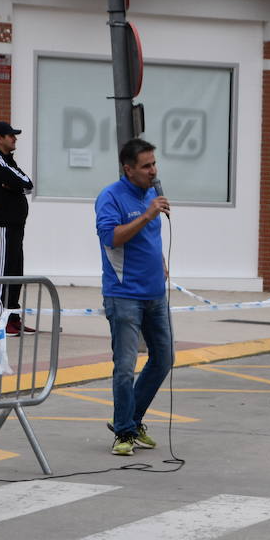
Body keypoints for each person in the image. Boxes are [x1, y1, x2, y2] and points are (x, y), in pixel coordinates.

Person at [94, 138, 173, 457]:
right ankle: (124, 431)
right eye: (146, 166)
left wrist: (160, 261)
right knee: (125, 366)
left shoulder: (153, 192)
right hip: (124, 294)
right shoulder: (110, 197)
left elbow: (150, 238)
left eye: (154, 164)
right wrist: (147, 216)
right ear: (128, 169)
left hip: (155, 293)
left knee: (164, 358)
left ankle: (131, 420)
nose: (153, 171)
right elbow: (111, 238)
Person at [0, 121, 35, 336]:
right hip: (2, 224)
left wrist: (14, 185)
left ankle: (13, 316)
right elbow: (20, 181)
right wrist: (15, 184)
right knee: (3, 270)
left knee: (16, 270)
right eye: (10, 135)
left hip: (16, 225)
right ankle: (0, 319)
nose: (15, 138)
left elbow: (27, 182)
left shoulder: (8, 161)